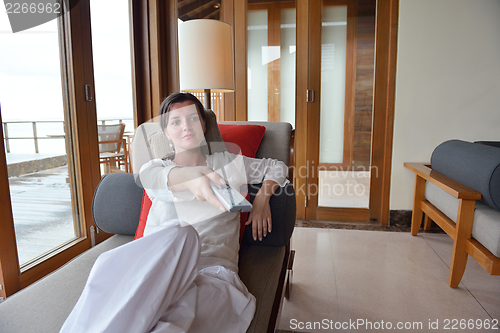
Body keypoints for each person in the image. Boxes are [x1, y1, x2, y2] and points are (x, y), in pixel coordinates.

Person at [59, 92, 289, 333]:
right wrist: (191, 177)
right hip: (156, 268)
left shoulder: (229, 163)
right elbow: (162, 179)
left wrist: (262, 197)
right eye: (176, 121)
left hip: (210, 272)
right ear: (166, 133)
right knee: (180, 234)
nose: (186, 127)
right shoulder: (155, 168)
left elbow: (278, 166)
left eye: (193, 118)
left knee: (172, 322)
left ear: (203, 124)